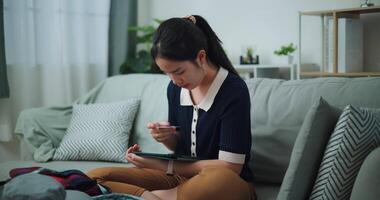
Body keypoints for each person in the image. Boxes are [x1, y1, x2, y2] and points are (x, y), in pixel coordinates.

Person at [87, 15, 256, 200]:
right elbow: (180, 146)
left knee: (220, 178)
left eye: (178, 71)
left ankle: (153, 197)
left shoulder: (233, 90)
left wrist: (164, 165)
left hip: (223, 183)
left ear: (201, 57)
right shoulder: (175, 89)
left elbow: (231, 167)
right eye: (167, 73)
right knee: (93, 177)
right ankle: (150, 198)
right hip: (180, 179)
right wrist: (168, 137)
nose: (175, 81)